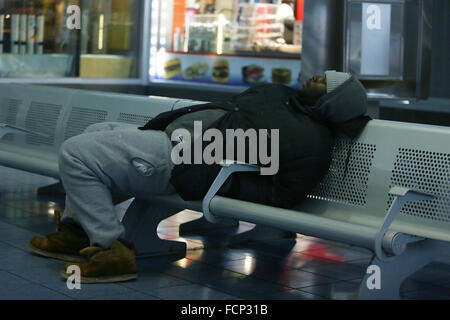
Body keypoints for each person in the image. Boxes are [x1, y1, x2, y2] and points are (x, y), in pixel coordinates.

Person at [29, 71, 371, 283]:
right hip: (179, 142)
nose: (318, 76)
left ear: (331, 102)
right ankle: (76, 232)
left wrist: (228, 181)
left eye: (327, 82)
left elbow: (282, 195)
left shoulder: (311, 141)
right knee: (96, 131)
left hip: (186, 161)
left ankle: (111, 249)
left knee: (77, 152)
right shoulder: (283, 97)